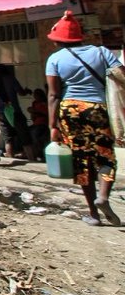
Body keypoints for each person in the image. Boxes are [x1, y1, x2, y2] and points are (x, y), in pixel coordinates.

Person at [44, 11, 121, 227]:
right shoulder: (102, 52)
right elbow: (121, 76)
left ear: (58, 40)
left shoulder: (55, 59)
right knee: (106, 156)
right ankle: (104, 197)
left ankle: (93, 214)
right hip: (98, 108)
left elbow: (53, 94)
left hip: (70, 110)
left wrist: (53, 126)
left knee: (82, 160)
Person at [0, 63, 34, 160]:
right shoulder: (10, 79)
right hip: (14, 110)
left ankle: (10, 156)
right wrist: (27, 91)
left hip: (1, 111)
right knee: (24, 135)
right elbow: (21, 92)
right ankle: (31, 157)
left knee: (7, 137)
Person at [29, 88, 50, 154]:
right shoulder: (34, 103)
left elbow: (46, 113)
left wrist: (36, 112)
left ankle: (41, 152)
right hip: (36, 123)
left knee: (38, 135)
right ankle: (36, 152)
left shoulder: (45, 103)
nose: (35, 96)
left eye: (36, 95)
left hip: (43, 123)